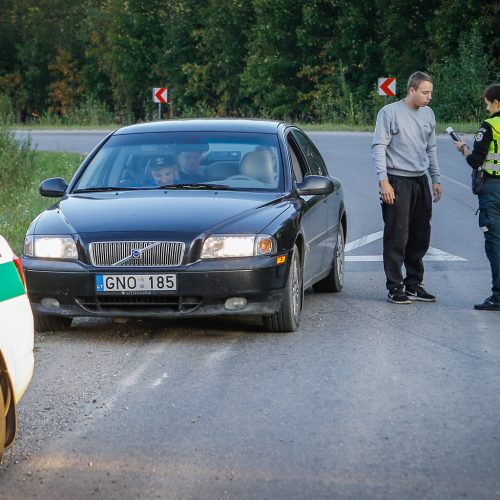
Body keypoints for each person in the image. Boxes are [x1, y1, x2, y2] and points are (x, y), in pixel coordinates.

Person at [371, 71, 442, 304]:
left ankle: (414, 284)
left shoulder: (428, 114)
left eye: (430, 92)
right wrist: (384, 181)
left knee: (420, 235)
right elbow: (379, 147)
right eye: (425, 92)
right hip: (397, 180)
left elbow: (431, 149)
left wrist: (436, 179)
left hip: (420, 180)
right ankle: (395, 286)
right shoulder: (389, 112)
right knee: (397, 235)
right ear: (411, 90)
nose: (429, 96)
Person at [453, 84, 500, 311]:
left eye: (487, 104)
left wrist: (463, 148)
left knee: (495, 243)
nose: (487, 108)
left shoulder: (489, 126)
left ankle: (498, 296)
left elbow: (476, 160)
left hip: (493, 189)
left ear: (496, 103)